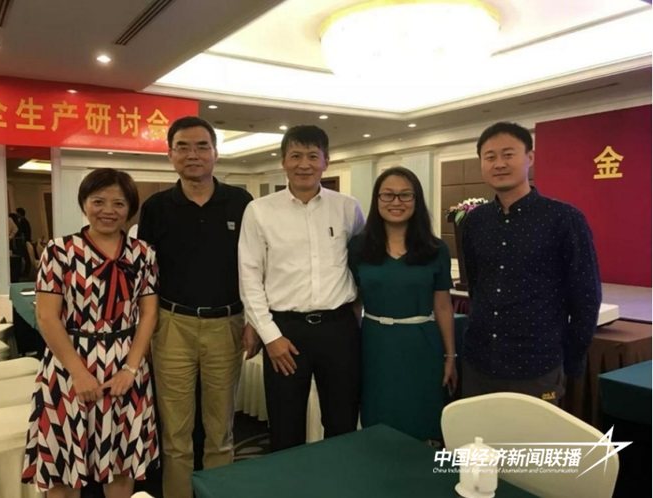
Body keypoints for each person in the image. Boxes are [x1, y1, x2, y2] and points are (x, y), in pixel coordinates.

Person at [21, 168, 159, 497]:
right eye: (98, 201)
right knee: (63, 464)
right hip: (69, 364)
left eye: (119, 203)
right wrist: (79, 373)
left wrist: (131, 369)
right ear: (84, 203)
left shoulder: (143, 253)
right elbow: (47, 316)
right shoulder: (59, 251)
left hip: (125, 363)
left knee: (122, 461)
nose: (108, 210)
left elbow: (148, 313)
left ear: (130, 208)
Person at [138, 116, 257, 498]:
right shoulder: (157, 207)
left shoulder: (241, 203)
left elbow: (256, 267)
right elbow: (146, 275)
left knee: (221, 428)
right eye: (183, 147)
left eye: (202, 146)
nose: (193, 155)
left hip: (227, 323)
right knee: (176, 433)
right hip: (172, 325)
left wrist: (253, 321)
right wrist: (147, 329)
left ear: (216, 153)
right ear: (170, 155)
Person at [239, 125, 365, 451]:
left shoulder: (348, 208)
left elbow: (363, 262)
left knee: (342, 420)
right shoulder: (259, 211)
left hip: (339, 329)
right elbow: (249, 278)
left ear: (326, 161)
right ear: (283, 161)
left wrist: (357, 312)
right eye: (295, 156)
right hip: (285, 331)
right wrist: (269, 335)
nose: (304, 164)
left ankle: (340, 477)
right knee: (285, 424)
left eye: (312, 156)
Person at [461, 121, 601, 404]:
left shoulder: (564, 219)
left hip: (536, 364)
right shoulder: (475, 222)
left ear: (530, 158)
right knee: (477, 432)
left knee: (532, 434)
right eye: (490, 157)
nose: (499, 163)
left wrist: (570, 360)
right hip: (479, 360)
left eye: (508, 154)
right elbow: (476, 286)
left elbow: (586, 297)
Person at [348, 166, 457, 441]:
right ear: (377, 200)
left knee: (422, 413)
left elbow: (443, 306)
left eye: (405, 195)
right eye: (388, 195)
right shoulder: (359, 247)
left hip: (422, 344)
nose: (396, 202)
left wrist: (450, 356)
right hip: (375, 344)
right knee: (379, 415)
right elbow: (354, 302)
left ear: (416, 200)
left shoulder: (435, 249)